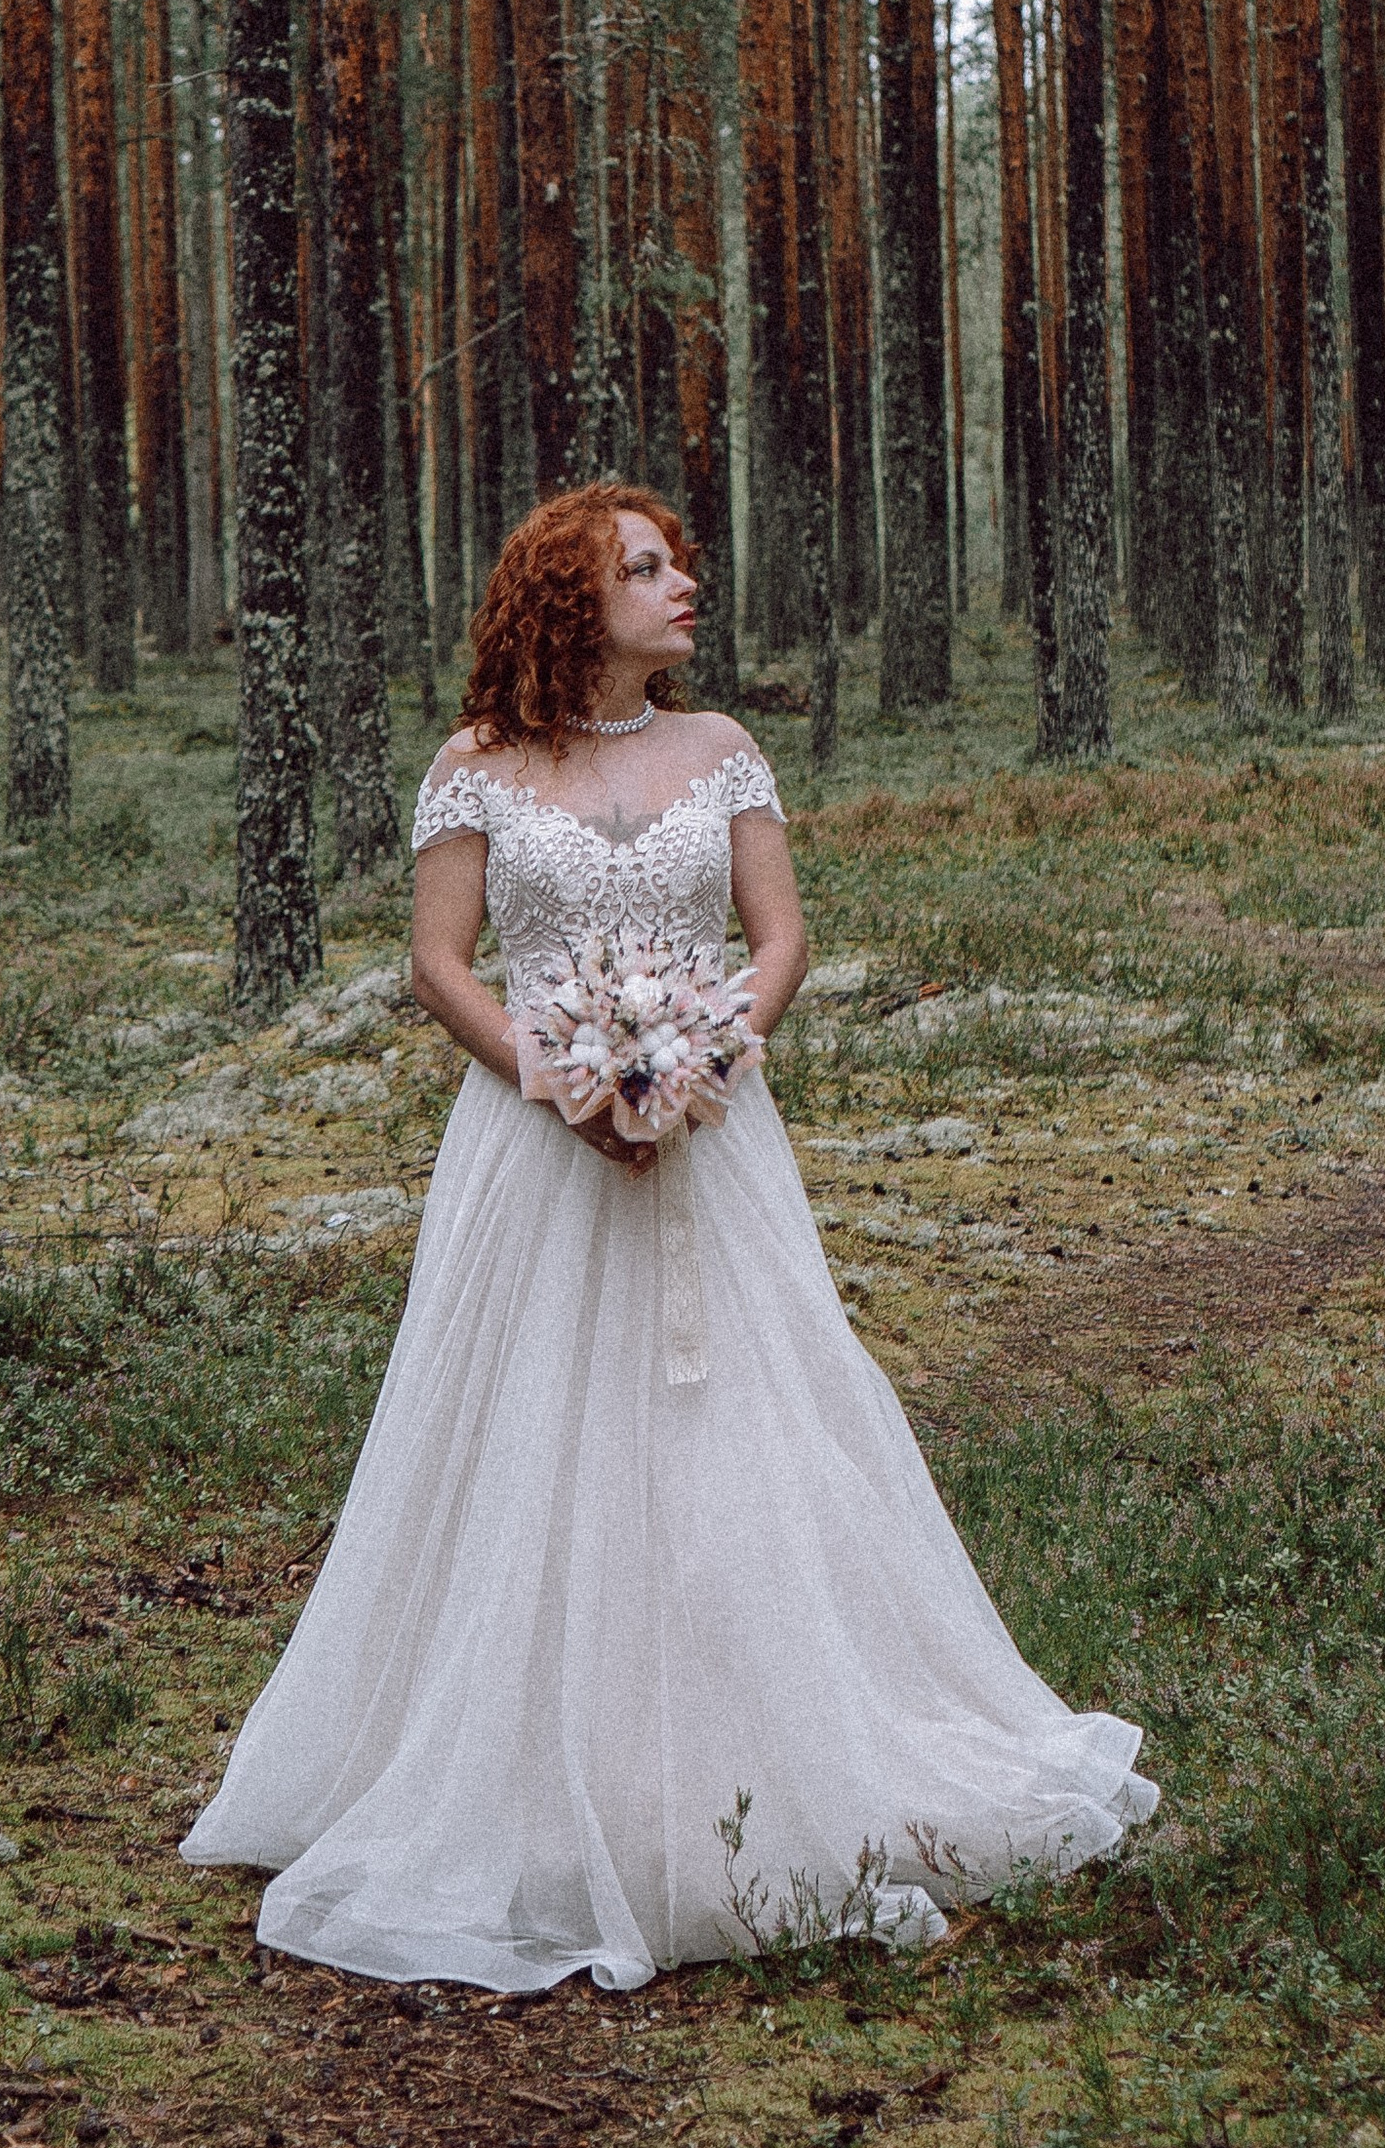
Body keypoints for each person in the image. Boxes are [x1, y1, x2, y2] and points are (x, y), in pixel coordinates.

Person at [182, 482, 1157, 1989]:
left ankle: (761, 1749)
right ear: (572, 601)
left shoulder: (724, 751)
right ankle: (519, 1770)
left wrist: (701, 1060)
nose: (682, 584)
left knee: (747, 1427)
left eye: (678, 562)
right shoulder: (477, 766)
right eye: (645, 568)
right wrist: (558, 1078)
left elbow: (782, 938)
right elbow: (438, 963)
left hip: (716, 1144)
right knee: (527, 1435)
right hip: (533, 1155)